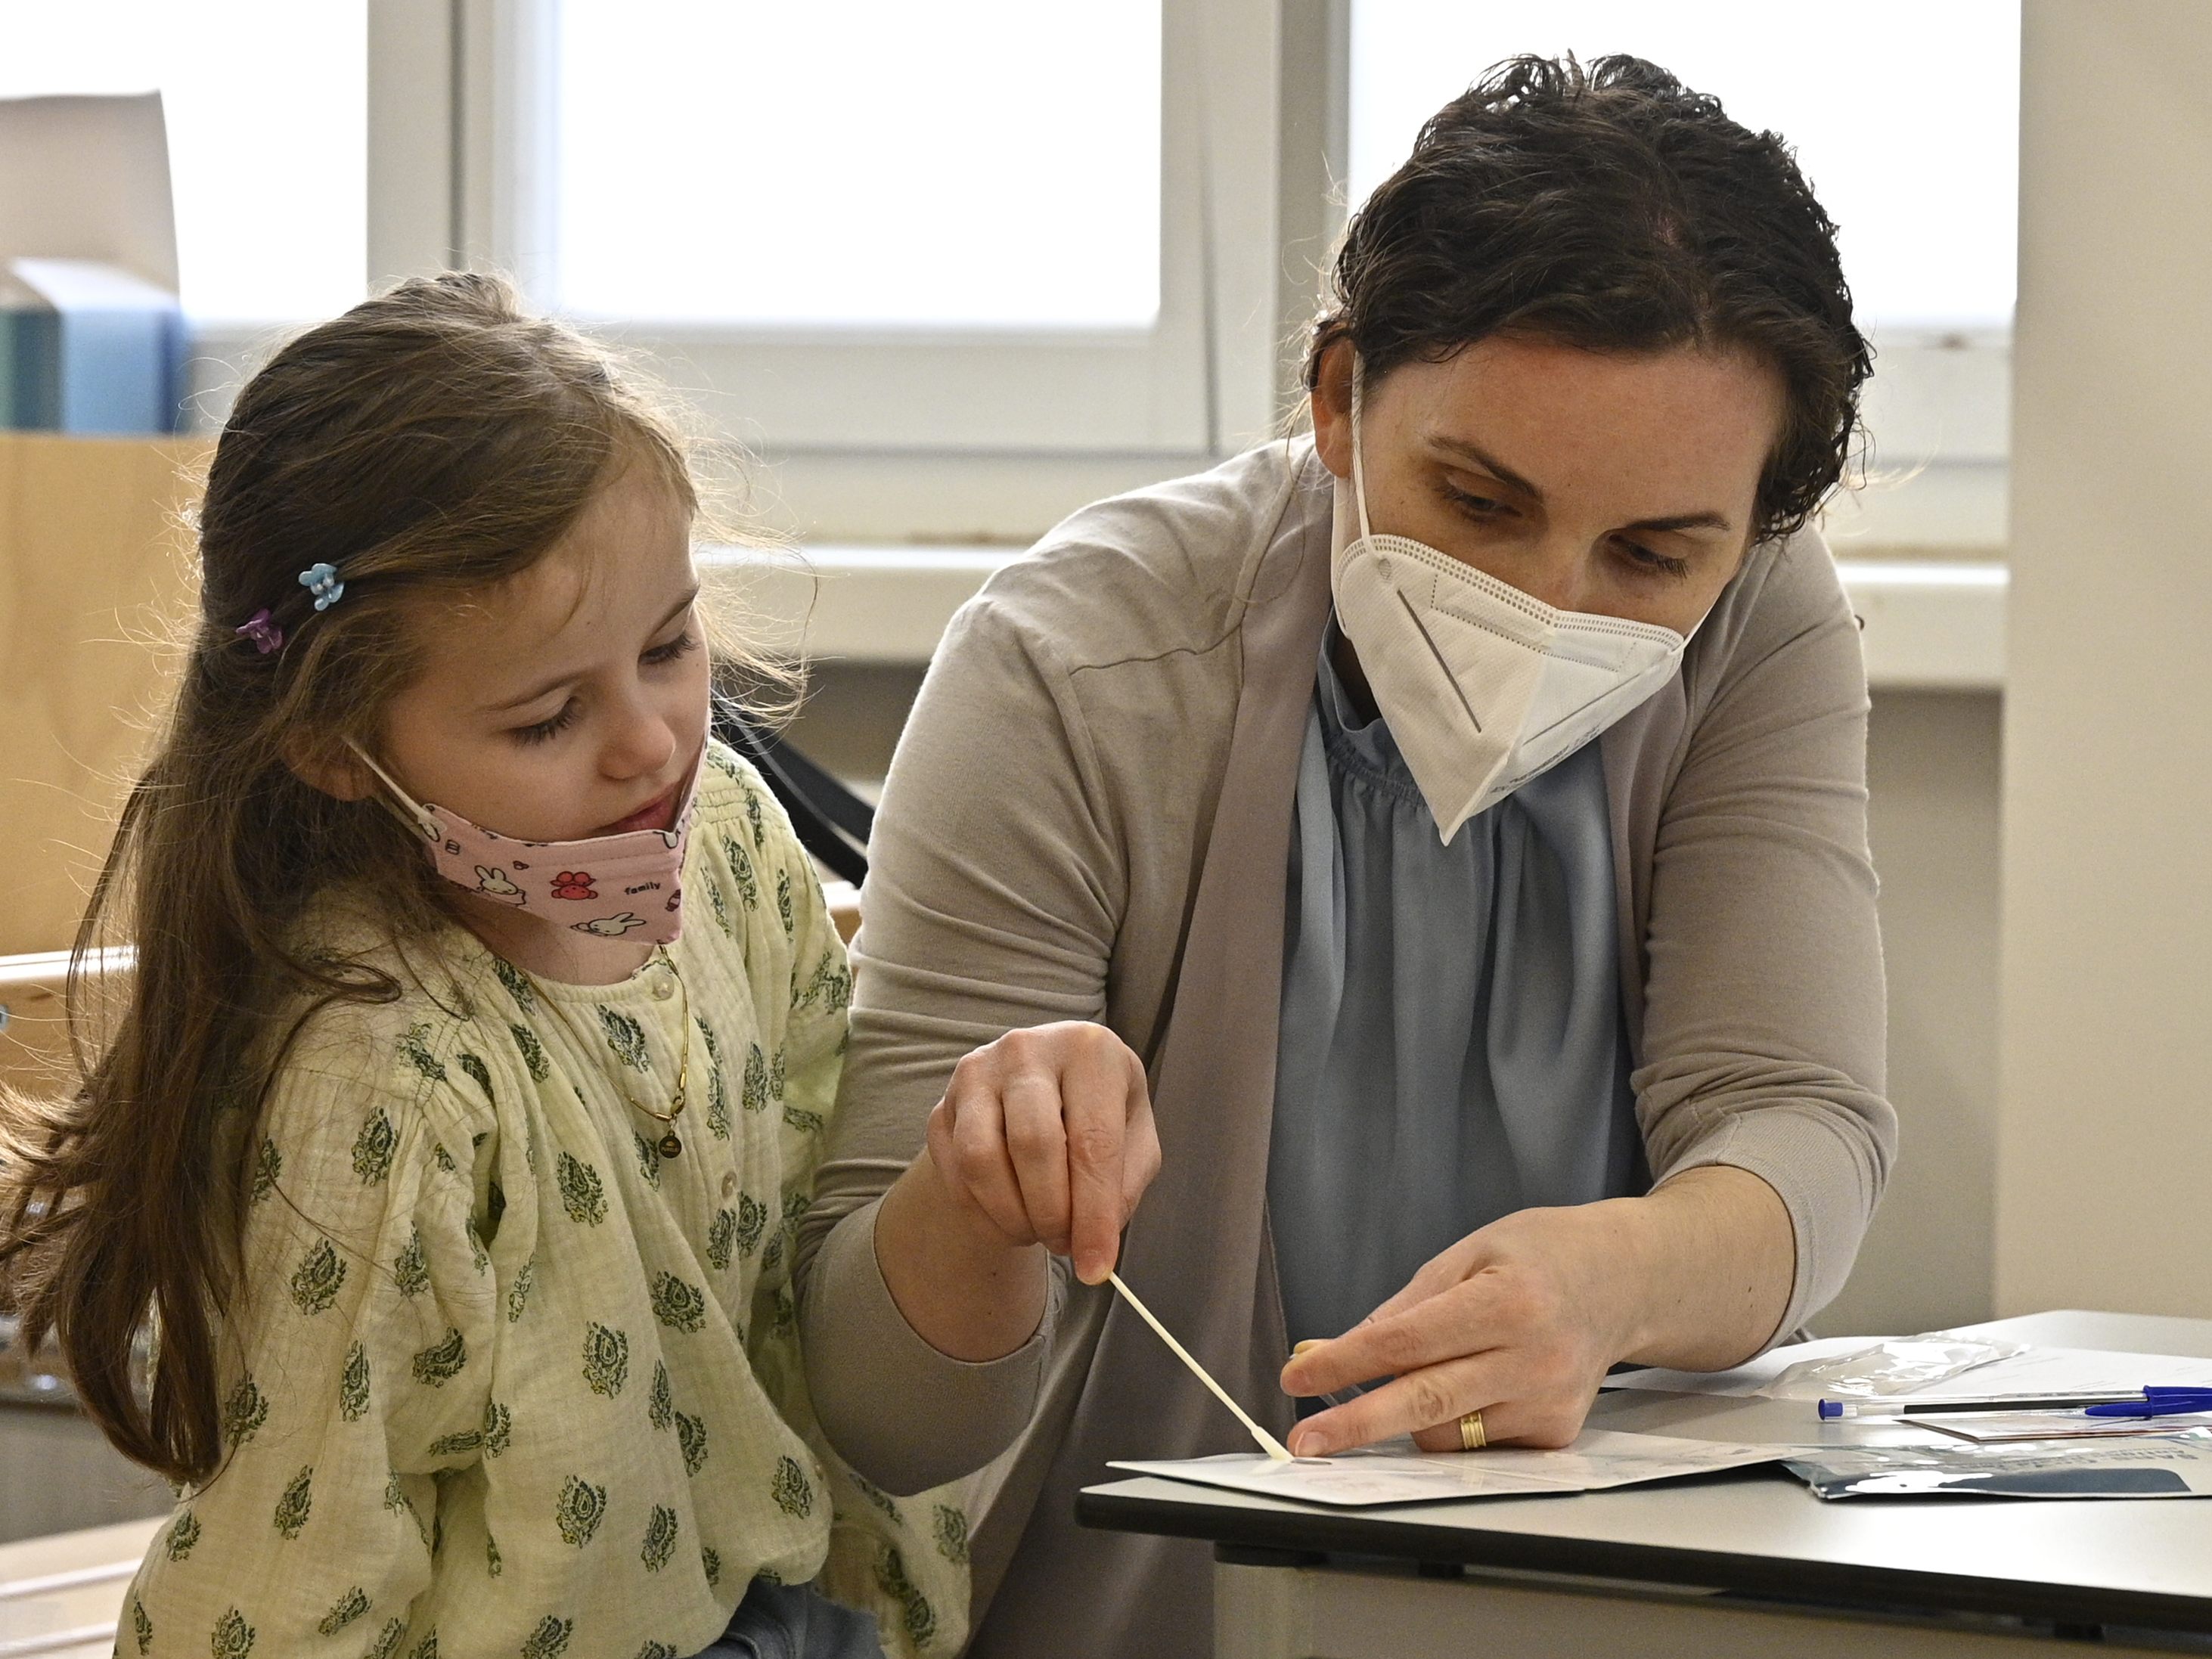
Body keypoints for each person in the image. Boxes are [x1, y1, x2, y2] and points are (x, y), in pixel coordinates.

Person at [791, 54, 1897, 1657]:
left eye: (1651, 552)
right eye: (1476, 499)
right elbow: (885, 1421)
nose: (1549, 605)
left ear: (1750, 531)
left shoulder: (1757, 624)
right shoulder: (1070, 665)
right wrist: (972, 1202)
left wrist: (1622, 1274)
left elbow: (1798, 1126)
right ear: (1333, 399)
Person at [0, 274, 1028, 1659]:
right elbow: (294, 1571)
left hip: (789, 1602)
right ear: (331, 746)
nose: (652, 743)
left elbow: (821, 1234)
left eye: (669, 646)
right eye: (548, 717)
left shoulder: (724, 838)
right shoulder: (383, 1083)